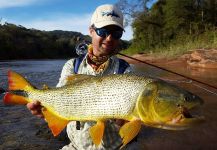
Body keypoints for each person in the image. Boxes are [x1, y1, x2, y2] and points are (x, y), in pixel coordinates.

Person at [27, 4, 134, 150]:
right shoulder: (72, 66)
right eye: (103, 31)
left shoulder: (124, 70)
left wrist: (127, 121)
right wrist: (46, 111)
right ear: (91, 31)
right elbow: (59, 100)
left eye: (116, 34)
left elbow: (128, 123)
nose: (109, 38)